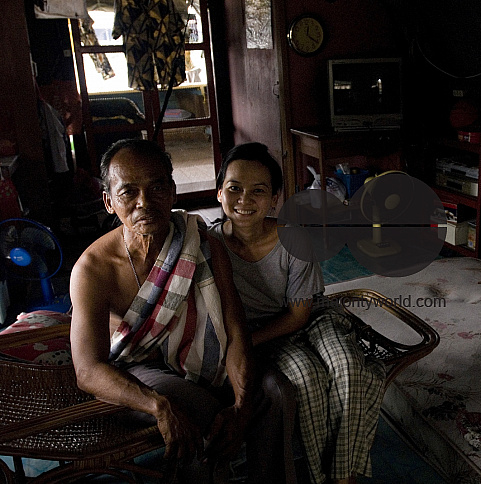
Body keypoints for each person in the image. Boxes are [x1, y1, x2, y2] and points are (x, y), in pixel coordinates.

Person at [69, 139, 294, 483]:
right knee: (198, 409)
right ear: (109, 202)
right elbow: (87, 371)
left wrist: (242, 404)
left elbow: (235, 330)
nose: (144, 202)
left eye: (157, 187)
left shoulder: (200, 242)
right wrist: (158, 407)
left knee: (275, 391)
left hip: (204, 354)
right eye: (128, 192)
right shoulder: (93, 269)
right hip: (137, 367)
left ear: (173, 192)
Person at [209, 142, 386, 484]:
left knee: (349, 368)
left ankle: (342, 476)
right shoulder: (209, 245)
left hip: (309, 314)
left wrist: (244, 343)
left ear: (275, 199)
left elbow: (299, 316)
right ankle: (322, 475)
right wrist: (242, 342)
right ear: (220, 193)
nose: (245, 199)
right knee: (307, 378)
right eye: (235, 189)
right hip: (264, 330)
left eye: (258, 191)